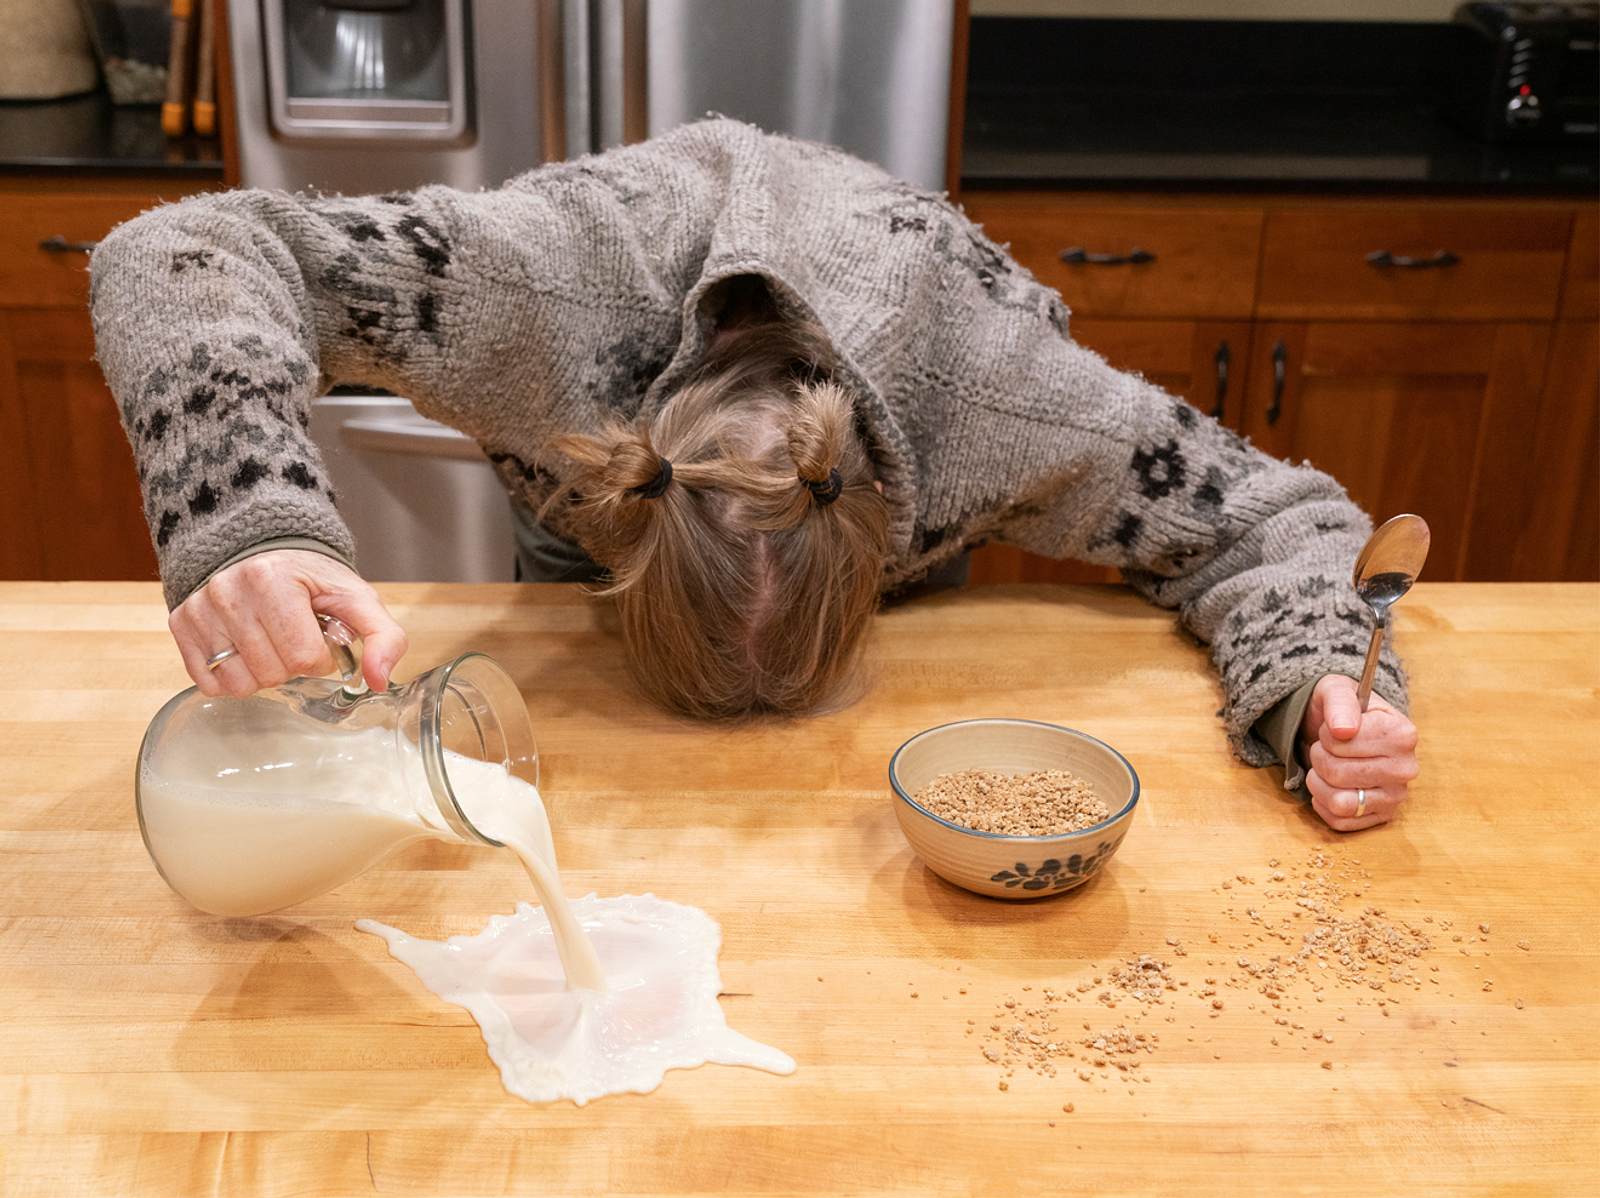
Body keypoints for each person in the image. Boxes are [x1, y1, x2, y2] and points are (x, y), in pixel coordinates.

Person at [89, 118, 1418, 832]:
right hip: (578, 569)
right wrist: (240, 508)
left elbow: (1280, 518)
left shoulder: (994, 396)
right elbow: (190, 245)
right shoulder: (542, 295)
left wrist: (1315, 691)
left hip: (908, 380)